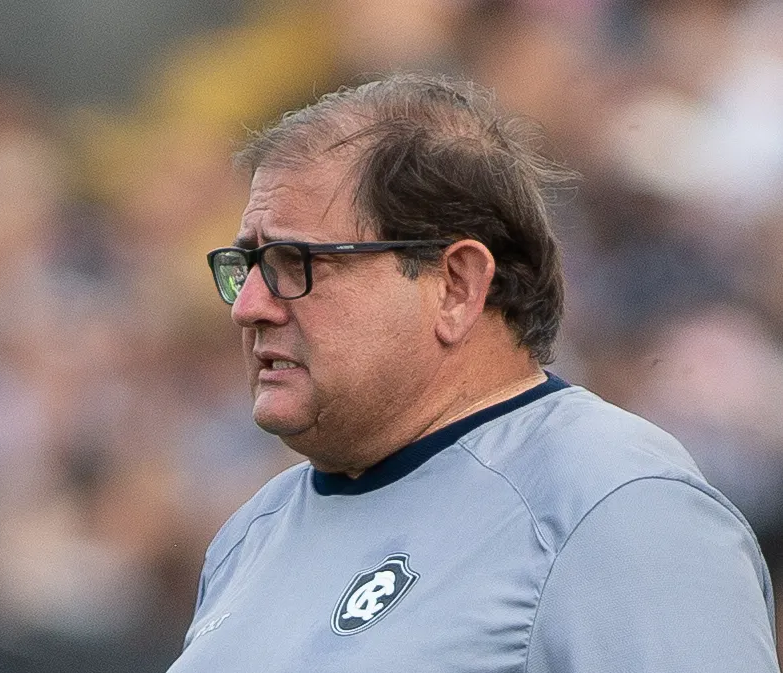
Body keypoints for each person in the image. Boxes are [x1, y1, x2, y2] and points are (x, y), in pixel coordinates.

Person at [166, 74, 779, 672]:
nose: (248, 306)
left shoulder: (615, 505)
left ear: (457, 286)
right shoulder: (249, 537)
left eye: (293, 261)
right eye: (246, 265)